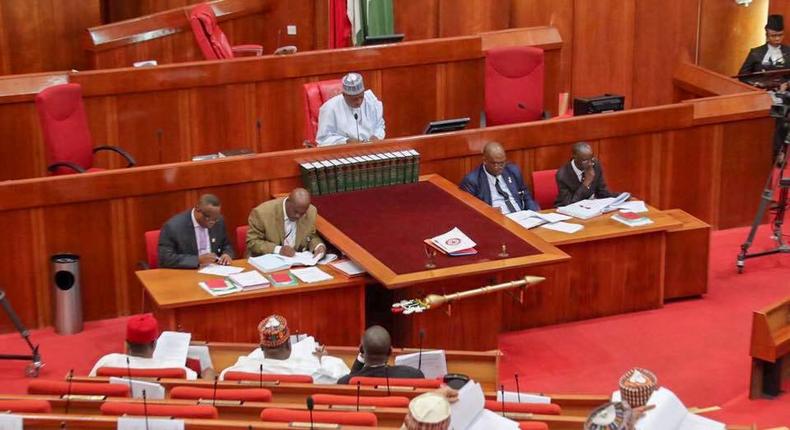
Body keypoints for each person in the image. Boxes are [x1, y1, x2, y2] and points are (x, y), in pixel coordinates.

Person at [219, 314, 349, 384]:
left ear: (262, 347)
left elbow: (223, 376)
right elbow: (341, 376)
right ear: (289, 344)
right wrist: (323, 358)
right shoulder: (312, 372)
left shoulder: (239, 369)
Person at [89, 314, 199, 379]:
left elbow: (89, 386)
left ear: (126, 344)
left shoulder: (108, 361)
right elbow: (201, 386)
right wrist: (208, 372)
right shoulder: (175, 368)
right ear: (155, 344)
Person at [459, 141, 539, 214]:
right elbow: (469, 211)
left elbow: (525, 195)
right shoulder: (472, 181)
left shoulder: (512, 171)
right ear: (485, 160)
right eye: (495, 163)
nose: (499, 167)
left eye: (502, 163)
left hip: (521, 217)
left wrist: (535, 212)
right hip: (497, 221)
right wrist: (490, 212)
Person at [158, 194, 234, 269]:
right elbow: (165, 258)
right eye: (207, 217)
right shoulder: (173, 227)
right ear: (197, 208)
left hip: (216, 270)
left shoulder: (219, 221)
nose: (212, 222)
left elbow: (226, 245)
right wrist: (197, 260)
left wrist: (227, 254)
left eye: (215, 218)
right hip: (188, 273)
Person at [246, 188, 326, 258]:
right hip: (267, 261)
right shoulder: (262, 213)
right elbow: (253, 242)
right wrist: (278, 249)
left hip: (297, 263)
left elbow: (311, 236)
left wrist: (318, 246)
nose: (298, 216)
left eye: (302, 213)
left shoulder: (311, 212)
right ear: (288, 202)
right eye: (295, 211)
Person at [315, 72, 386, 146]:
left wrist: (376, 137)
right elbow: (323, 139)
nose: (359, 102)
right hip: (342, 152)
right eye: (354, 99)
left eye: (361, 97)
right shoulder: (330, 108)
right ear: (344, 95)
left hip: (371, 149)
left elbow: (380, 126)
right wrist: (346, 141)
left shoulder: (372, 102)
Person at [337, 325, 425, 384]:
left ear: (361, 350)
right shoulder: (413, 375)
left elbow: (351, 378)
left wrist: (360, 358)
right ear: (390, 351)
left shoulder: (345, 382)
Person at [554, 142, 617, 207]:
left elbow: (603, 193)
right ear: (574, 158)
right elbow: (569, 205)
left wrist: (622, 197)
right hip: (569, 211)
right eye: (585, 160)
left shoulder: (595, 165)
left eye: (591, 158)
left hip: (592, 209)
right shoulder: (563, 175)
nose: (590, 163)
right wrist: (586, 182)